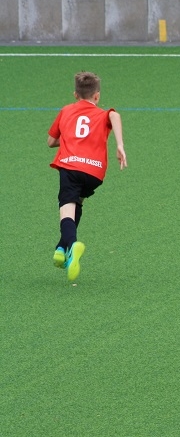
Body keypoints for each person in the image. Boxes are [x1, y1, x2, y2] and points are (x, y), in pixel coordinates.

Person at [47, 71, 127, 281]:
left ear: (75, 94)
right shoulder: (102, 114)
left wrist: (68, 138)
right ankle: (61, 249)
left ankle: (72, 245)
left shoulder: (66, 110)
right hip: (94, 173)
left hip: (71, 167)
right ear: (97, 96)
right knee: (78, 203)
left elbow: (51, 141)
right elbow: (114, 115)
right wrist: (119, 145)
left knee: (66, 210)